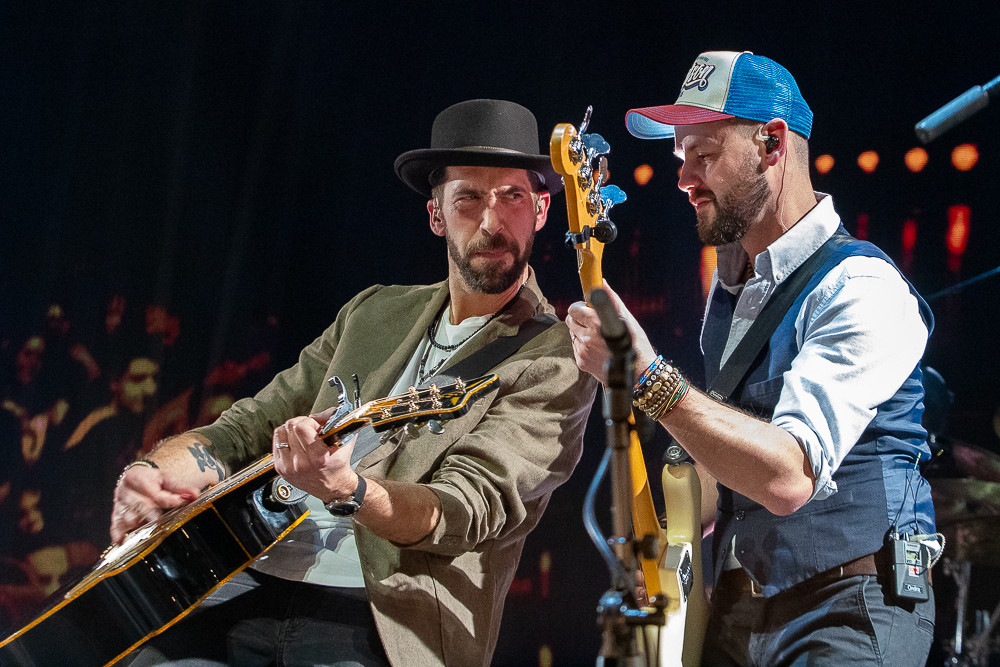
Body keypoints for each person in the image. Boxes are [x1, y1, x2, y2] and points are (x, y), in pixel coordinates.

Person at [112, 98, 597, 666]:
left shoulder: (557, 357)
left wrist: (350, 491)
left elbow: (465, 509)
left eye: (512, 196)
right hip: (240, 583)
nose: (492, 221)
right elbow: (246, 428)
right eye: (468, 197)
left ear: (541, 210)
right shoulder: (373, 312)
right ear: (437, 216)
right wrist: (152, 474)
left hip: (376, 617)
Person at [567, 51, 937, 664]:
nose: (684, 178)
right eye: (680, 158)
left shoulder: (861, 287)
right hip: (742, 612)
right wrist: (664, 549)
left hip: (846, 609)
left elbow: (788, 478)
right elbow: (731, 470)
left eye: (705, 155)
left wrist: (649, 379)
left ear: (772, 144)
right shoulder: (735, 288)